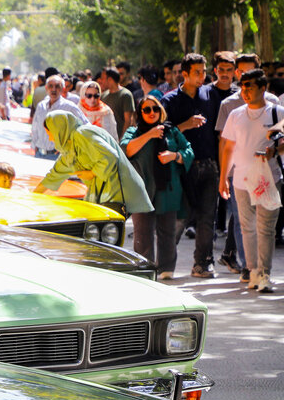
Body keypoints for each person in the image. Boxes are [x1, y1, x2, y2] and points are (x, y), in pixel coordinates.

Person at [219, 70, 284, 292]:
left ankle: (264, 274)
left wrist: (273, 150)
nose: (244, 90)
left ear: (262, 88)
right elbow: (228, 148)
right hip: (240, 180)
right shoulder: (236, 114)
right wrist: (223, 178)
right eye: (242, 86)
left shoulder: (277, 112)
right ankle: (253, 271)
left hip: (268, 178)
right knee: (247, 228)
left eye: (249, 86)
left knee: (266, 228)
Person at [161, 53, 221, 278]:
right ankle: (164, 264)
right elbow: (163, 134)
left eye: (204, 72)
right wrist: (185, 125)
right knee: (179, 217)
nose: (202, 77)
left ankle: (202, 263)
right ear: (184, 74)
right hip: (182, 167)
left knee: (207, 217)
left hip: (209, 165)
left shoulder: (209, 95)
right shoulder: (170, 101)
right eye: (197, 72)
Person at [121, 96, 194, 279]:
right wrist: (150, 134)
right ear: (140, 113)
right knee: (143, 233)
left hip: (168, 189)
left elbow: (188, 151)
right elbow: (126, 149)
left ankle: (166, 269)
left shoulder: (172, 131)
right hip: (142, 191)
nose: (152, 113)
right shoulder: (134, 131)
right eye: (146, 110)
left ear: (160, 110)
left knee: (167, 232)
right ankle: (145, 271)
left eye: (155, 109)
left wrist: (174, 156)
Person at [34, 112, 153, 221]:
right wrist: (33, 196)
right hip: (105, 196)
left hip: (116, 193)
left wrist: (91, 173)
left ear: (59, 129)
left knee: (102, 235)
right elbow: (53, 176)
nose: (50, 138)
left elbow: (110, 156)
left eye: (51, 133)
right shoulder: (69, 149)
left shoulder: (82, 134)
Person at [30, 74, 87, 159]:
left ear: (62, 89)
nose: (54, 89)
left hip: (58, 156)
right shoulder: (41, 106)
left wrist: (70, 145)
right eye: (50, 86)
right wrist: (35, 146)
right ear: (46, 88)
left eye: (57, 86)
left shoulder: (70, 107)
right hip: (39, 153)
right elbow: (35, 127)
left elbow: (85, 126)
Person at [100, 67, 135, 136]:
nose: (101, 81)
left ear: (110, 79)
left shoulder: (126, 95)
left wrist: (121, 140)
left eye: (103, 78)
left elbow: (128, 121)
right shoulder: (103, 96)